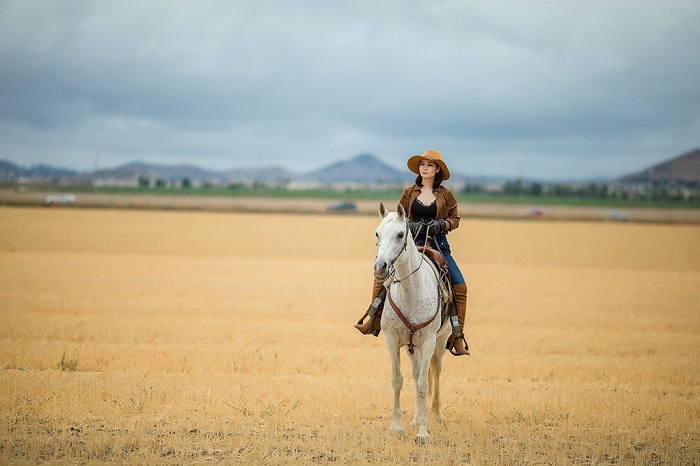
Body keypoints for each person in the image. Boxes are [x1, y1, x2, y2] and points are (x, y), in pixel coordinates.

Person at [354, 149, 470, 356]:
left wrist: (441, 224)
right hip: (409, 244)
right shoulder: (409, 192)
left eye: (430, 165)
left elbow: (456, 219)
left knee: (459, 285)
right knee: (382, 273)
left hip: (438, 244)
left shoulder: (446, 194)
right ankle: (375, 319)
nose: (425, 168)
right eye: (422, 165)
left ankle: (457, 335)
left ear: (437, 170)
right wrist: (411, 225)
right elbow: (400, 219)